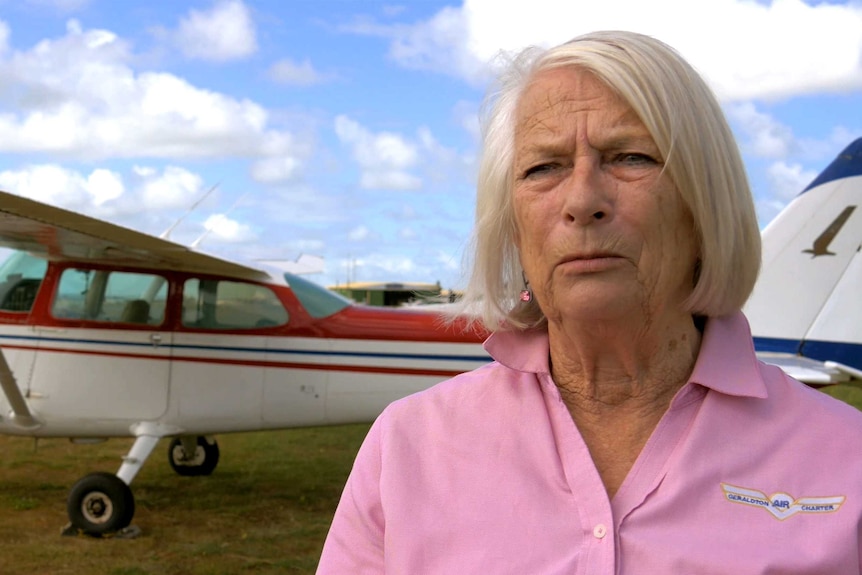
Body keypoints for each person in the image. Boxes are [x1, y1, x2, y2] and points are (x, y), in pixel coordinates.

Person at [317, 30, 862, 573]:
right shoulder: (406, 447)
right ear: (512, 227)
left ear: (705, 205)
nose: (581, 201)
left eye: (630, 157)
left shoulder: (846, 457)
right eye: (543, 168)